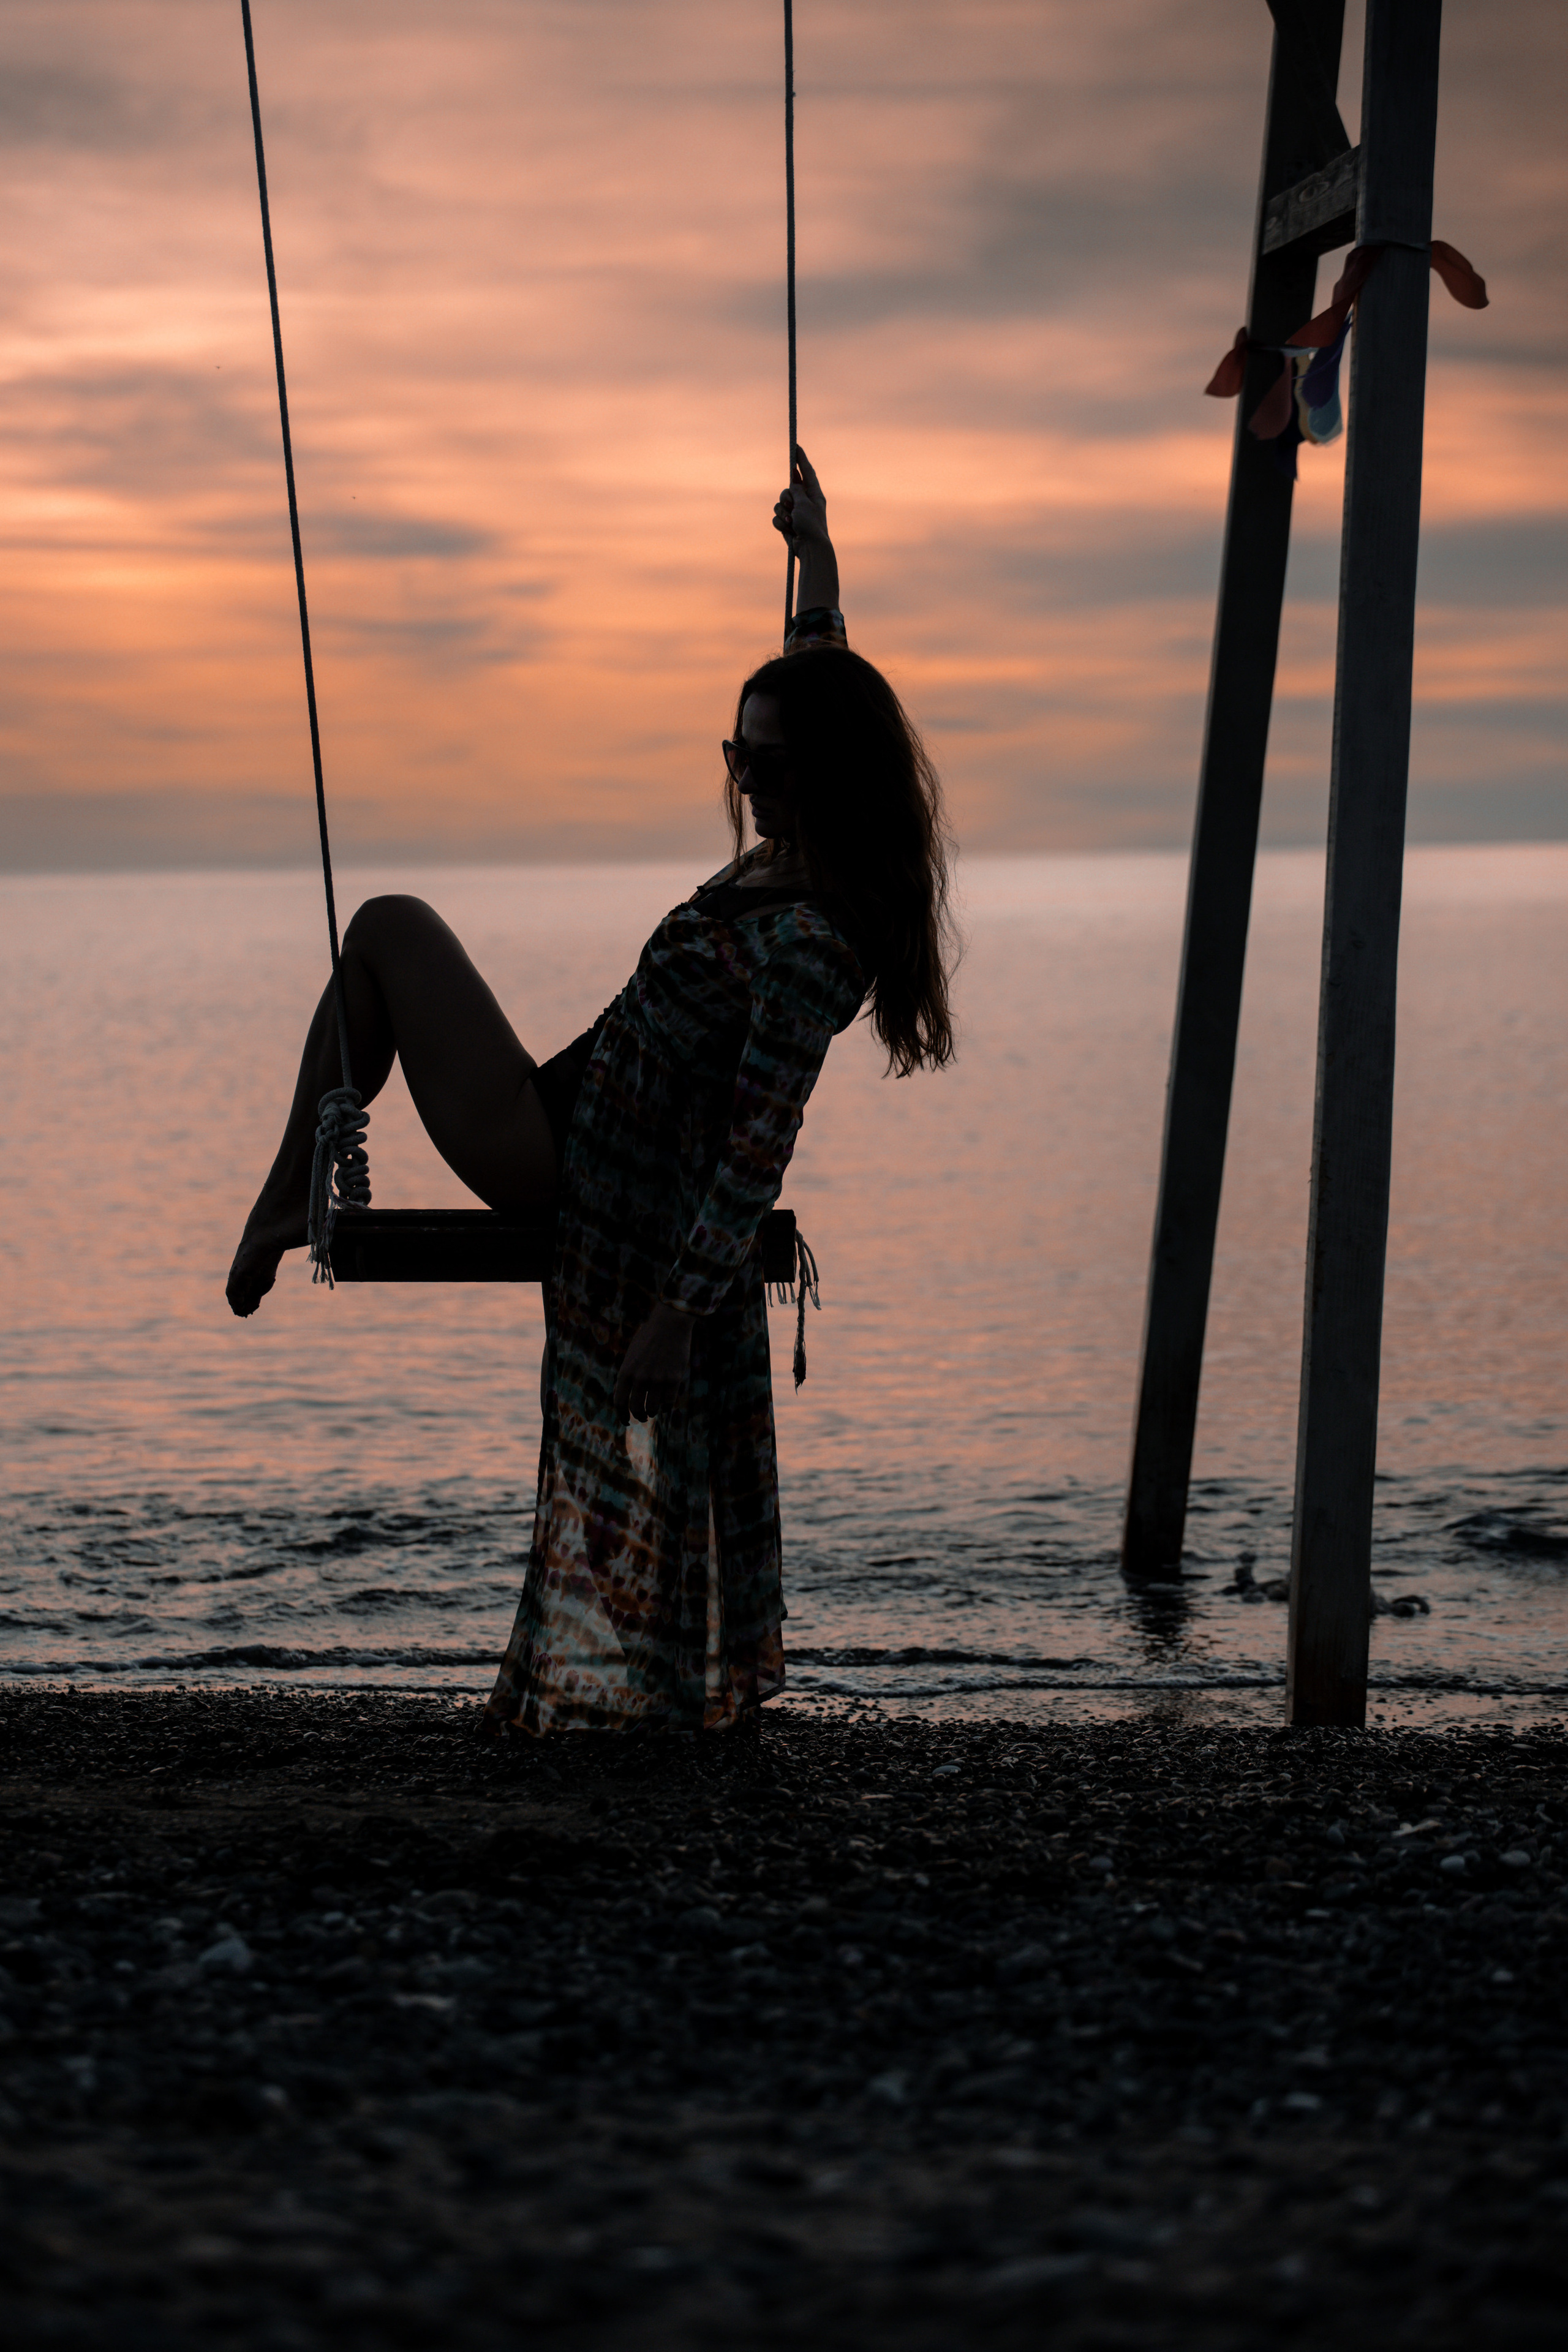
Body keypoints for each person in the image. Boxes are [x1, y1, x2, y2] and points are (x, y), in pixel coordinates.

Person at [226, 448, 955, 1733]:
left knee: (388, 930)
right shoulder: (784, 851)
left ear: (827, 776)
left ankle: (286, 1199)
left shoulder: (811, 942)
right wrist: (820, 551)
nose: (747, 778)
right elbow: (820, 673)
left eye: (771, 765)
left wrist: (678, 1310)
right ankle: (290, 1196)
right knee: (383, 940)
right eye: (738, 751)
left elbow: (752, 1147)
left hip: (581, 1169)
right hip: (573, 1097)